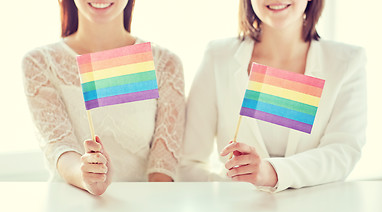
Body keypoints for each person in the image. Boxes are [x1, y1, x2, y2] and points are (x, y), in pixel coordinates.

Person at [180, 0, 367, 192]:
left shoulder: (347, 61)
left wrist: (270, 172)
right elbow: (188, 163)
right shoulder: (218, 56)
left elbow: (342, 151)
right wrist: (229, 192)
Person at [22, 0, 185, 195]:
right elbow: (60, 148)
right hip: (70, 208)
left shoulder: (165, 63)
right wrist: (87, 176)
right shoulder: (40, 63)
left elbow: (162, 169)